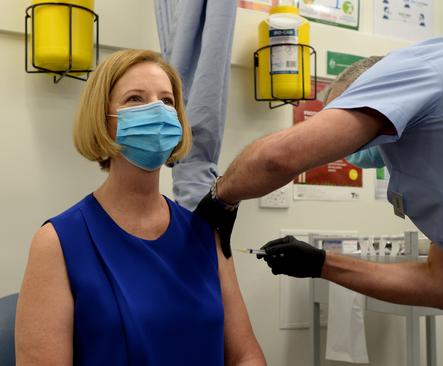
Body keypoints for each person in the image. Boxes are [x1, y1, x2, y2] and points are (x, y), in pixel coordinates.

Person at [195, 35, 443, 365]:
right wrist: (320, 263)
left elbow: (278, 157)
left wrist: (218, 198)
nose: (347, 150)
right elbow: (439, 287)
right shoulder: (438, 164)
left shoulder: (408, 66)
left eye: (339, 112)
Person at [15, 49, 266, 366]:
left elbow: (246, 354)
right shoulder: (58, 243)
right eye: (135, 98)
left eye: (167, 101)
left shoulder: (206, 235)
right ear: (103, 119)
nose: (157, 111)